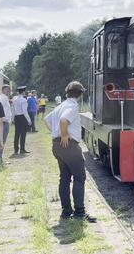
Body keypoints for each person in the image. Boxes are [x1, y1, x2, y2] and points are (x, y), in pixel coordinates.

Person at [44, 81, 96, 222]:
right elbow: (63, 120)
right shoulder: (72, 106)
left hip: (57, 146)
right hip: (69, 146)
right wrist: (64, 135)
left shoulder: (60, 105)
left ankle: (66, 212)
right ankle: (80, 212)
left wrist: (56, 134)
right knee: (79, 178)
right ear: (80, 94)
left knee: (65, 178)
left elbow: (46, 120)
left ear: (67, 93)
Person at [0, 85, 13, 166]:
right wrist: (2, 118)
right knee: (1, 142)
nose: (10, 92)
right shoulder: (3, 98)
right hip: (3, 123)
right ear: (6, 90)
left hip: (3, 122)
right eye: (9, 90)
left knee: (0, 141)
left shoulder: (3, 98)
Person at [12, 86, 32, 154]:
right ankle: (22, 149)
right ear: (23, 92)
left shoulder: (14, 100)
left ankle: (16, 149)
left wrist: (12, 119)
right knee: (23, 134)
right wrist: (29, 120)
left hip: (17, 117)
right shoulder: (24, 100)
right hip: (23, 117)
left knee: (17, 134)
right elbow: (25, 111)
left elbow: (13, 110)